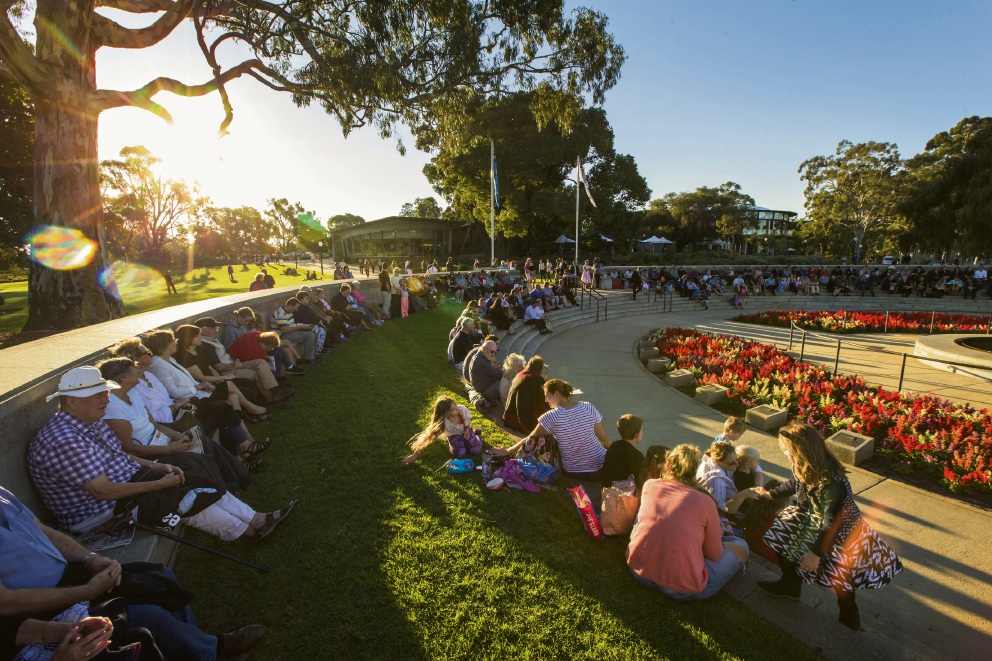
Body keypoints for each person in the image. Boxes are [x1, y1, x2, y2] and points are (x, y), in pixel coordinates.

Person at [27, 367, 297, 542]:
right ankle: (246, 531)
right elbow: (102, 492)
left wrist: (159, 468)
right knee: (179, 494)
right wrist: (160, 482)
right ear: (73, 402)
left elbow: (123, 456)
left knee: (194, 469)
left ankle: (257, 519)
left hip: (129, 481)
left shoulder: (89, 422)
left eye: (105, 394)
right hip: (100, 510)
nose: (106, 400)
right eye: (98, 396)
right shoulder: (63, 441)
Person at [0, 485, 267, 661]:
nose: (105, 398)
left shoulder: (3, 494)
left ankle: (197, 649)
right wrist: (87, 591)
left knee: (159, 578)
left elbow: (45, 532)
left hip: (70, 575)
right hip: (40, 604)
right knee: (147, 615)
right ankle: (213, 649)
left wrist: (90, 558)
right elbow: (7, 603)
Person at [755, 423, 903, 631]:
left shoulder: (831, 482)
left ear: (800, 449)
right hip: (814, 519)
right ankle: (790, 584)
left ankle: (849, 616)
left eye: (786, 448)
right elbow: (793, 484)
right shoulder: (803, 466)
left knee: (840, 576)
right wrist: (770, 494)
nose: (784, 452)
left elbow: (831, 522)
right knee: (782, 530)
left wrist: (815, 554)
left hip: (841, 533)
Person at [626, 444, 749, 600]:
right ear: (695, 472)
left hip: (638, 569)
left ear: (668, 465)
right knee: (740, 544)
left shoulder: (650, 485)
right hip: (680, 589)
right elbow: (715, 554)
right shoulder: (705, 501)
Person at [494, 379, 610, 479]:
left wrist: (508, 451)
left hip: (574, 471)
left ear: (557, 394)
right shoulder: (588, 407)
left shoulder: (552, 416)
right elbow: (604, 438)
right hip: (601, 468)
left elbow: (530, 438)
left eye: (547, 396)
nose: (545, 400)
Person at [194, 317, 291, 404]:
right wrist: (235, 365)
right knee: (255, 373)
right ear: (202, 330)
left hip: (233, 362)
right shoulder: (205, 345)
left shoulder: (212, 339)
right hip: (225, 371)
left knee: (261, 362)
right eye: (212, 328)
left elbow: (226, 355)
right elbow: (218, 367)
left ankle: (275, 391)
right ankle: (270, 399)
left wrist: (236, 359)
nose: (216, 330)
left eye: (216, 328)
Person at [402, 397, 481, 464]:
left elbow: (467, 421)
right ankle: (451, 441)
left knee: (476, 450)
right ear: (445, 414)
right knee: (459, 454)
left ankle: (477, 434)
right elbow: (428, 438)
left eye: (455, 406)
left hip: (465, 431)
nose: (456, 409)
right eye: (452, 409)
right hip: (453, 435)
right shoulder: (443, 423)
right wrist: (414, 456)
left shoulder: (462, 410)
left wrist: (467, 429)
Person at [696, 441, 758, 520]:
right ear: (717, 461)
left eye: (737, 459)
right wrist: (743, 495)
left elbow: (756, 466)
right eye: (731, 463)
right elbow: (720, 510)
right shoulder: (716, 480)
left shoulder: (720, 462)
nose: (736, 464)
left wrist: (757, 484)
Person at [501, 356, 550, 434]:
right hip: (523, 419)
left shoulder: (519, 375)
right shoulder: (536, 379)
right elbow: (543, 399)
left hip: (510, 417)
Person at [600, 414, 646, 489]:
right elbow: (639, 480)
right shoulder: (637, 456)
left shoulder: (614, 446)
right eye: (641, 430)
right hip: (625, 496)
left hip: (608, 491)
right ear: (636, 435)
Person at [465, 341, 503, 405]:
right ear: (483, 349)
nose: (493, 354)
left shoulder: (480, 356)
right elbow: (499, 374)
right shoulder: (481, 362)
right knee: (507, 382)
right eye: (492, 352)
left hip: (485, 387)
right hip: (486, 392)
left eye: (495, 352)